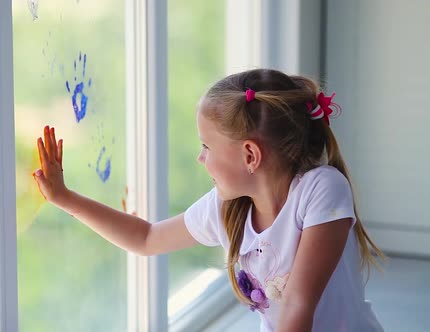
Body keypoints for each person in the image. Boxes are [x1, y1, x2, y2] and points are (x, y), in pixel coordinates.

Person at [33, 68, 385, 332]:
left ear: (250, 155)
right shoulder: (226, 208)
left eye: (206, 146)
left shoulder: (322, 189)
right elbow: (145, 238)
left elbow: (298, 302)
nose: (201, 159)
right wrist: (65, 198)